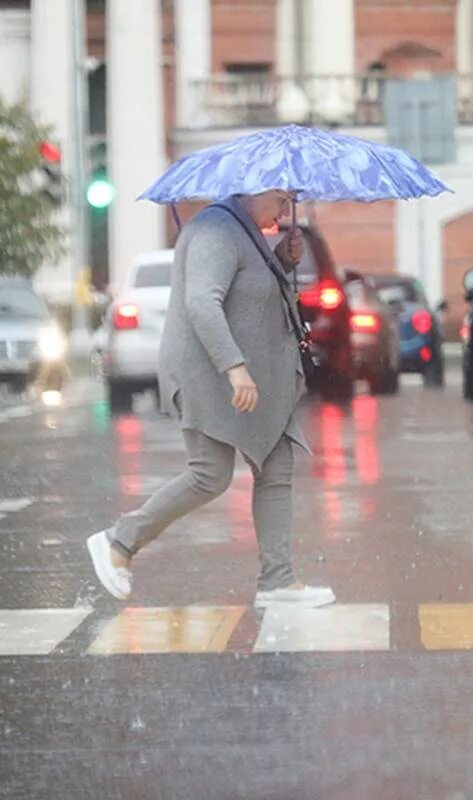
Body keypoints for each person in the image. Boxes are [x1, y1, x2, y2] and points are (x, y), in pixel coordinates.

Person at [86, 190, 335, 608]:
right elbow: (203, 302)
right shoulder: (214, 230)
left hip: (258, 378)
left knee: (275, 467)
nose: (286, 210)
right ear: (255, 191)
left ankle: (277, 581)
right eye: (280, 199)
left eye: (290, 200)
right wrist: (234, 367)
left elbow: (248, 291)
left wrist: (284, 259)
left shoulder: (247, 231)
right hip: (211, 374)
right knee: (209, 475)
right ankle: (119, 541)